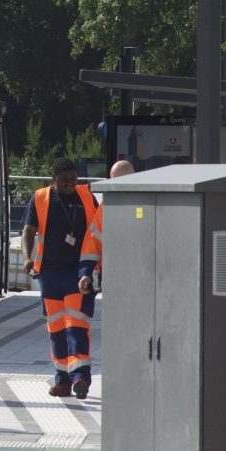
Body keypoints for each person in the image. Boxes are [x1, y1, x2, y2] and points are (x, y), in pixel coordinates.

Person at [22, 157, 99, 399]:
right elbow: (28, 231)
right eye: (65, 181)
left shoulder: (87, 197)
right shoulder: (41, 198)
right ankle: (62, 380)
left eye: (74, 180)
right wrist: (27, 258)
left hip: (78, 273)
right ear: (54, 179)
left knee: (77, 326)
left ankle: (80, 378)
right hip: (50, 274)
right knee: (56, 328)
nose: (71, 185)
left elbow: (99, 232)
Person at [77, 160, 135, 295]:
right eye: (115, 180)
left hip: (144, 274)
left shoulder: (148, 200)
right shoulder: (107, 206)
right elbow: (93, 241)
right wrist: (85, 272)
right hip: (114, 275)